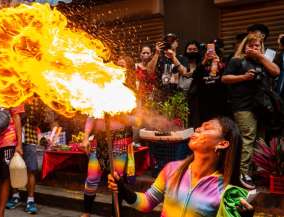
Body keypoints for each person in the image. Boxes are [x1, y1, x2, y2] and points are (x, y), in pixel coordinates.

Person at [108, 117, 254, 217]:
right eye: (200, 126)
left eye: (207, 128)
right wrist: (123, 189)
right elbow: (146, 203)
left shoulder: (227, 189)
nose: (197, 129)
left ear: (222, 143)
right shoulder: (172, 169)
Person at [222, 33, 280, 189]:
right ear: (244, 46)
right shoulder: (237, 60)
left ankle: (254, 172)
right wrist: (244, 77)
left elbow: (276, 72)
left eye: (257, 46)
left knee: (259, 140)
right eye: (251, 45)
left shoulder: (263, 62)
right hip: (243, 106)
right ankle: (242, 174)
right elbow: (224, 79)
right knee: (248, 138)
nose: (254, 48)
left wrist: (261, 57)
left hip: (261, 107)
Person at [80, 114, 136, 217]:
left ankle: (115, 214)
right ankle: (87, 212)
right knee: (92, 178)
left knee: (116, 180)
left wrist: (121, 116)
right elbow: (91, 116)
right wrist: (86, 137)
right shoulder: (96, 99)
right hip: (99, 140)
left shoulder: (127, 99)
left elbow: (135, 119)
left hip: (120, 141)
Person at [6, 95, 45, 214]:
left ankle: (30, 200)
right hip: (11, 138)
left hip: (29, 137)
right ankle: (15, 196)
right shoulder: (12, 94)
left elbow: (38, 120)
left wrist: (28, 112)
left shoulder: (36, 99)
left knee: (31, 169)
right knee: (13, 168)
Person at [189, 42, 228, 128]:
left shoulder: (222, 66)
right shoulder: (202, 67)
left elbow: (226, 79)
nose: (211, 54)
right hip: (203, 105)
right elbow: (195, 76)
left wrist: (219, 64)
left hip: (220, 104)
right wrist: (205, 60)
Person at [155, 33, 188, 98]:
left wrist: (173, 57)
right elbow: (149, 71)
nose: (170, 43)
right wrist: (156, 53)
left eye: (172, 41)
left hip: (178, 95)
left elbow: (184, 72)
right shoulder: (159, 58)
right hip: (162, 95)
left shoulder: (182, 58)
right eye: (167, 42)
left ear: (177, 43)